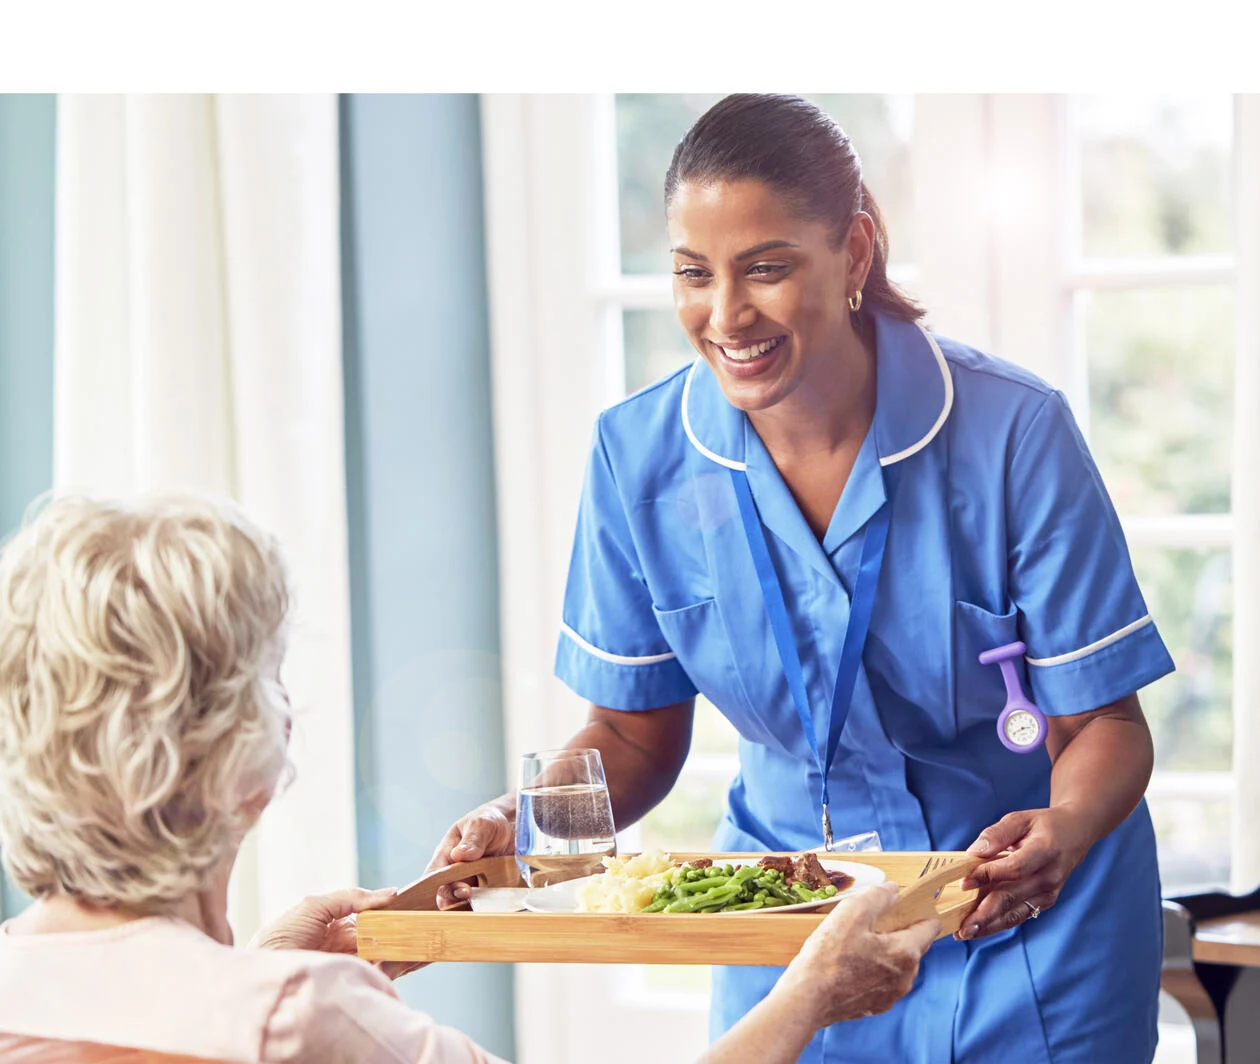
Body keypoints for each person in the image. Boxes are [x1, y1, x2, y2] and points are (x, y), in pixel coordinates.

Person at [431, 95, 1175, 1064]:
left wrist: (1064, 830)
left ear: (855, 252)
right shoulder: (638, 456)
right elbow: (628, 731)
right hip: (795, 930)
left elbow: (1105, 725)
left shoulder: (1012, 433)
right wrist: (521, 824)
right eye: (694, 274)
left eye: (767, 268)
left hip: (1021, 919)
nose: (726, 314)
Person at [0, 494, 937, 1064]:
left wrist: (258, 971)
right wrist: (812, 993)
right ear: (238, 756)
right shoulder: (297, 1018)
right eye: (269, 677)